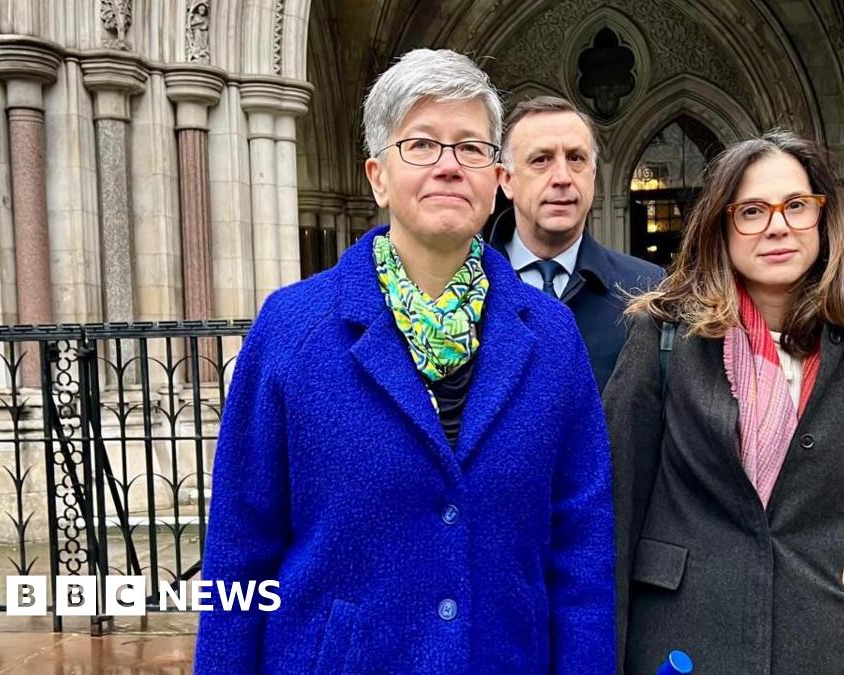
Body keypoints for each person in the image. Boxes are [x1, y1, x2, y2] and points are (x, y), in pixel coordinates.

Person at [194, 49, 615, 674]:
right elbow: (240, 547)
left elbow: (581, 545)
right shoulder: (292, 328)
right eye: (421, 144)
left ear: (496, 177)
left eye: (470, 147)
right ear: (378, 176)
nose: (449, 166)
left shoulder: (549, 334)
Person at [605, 130, 844, 674]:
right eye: (751, 210)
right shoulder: (664, 337)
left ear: (823, 216)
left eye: (796, 205)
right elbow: (616, 499)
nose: (776, 226)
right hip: (682, 635)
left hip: (818, 635)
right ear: (722, 227)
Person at [488, 96, 663, 391]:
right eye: (541, 159)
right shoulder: (466, 287)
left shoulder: (647, 291)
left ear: (593, 175)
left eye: (576, 158)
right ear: (506, 180)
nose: (562, 178)